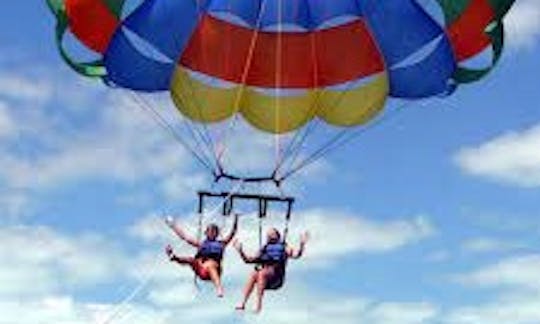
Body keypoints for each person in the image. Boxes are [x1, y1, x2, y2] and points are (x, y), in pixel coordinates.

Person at [234, 228, 309, 313]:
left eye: (272, 234)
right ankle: (242, 303)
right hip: (265, 279)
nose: (270, 236)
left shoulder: (283, 246)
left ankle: (258, 305)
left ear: (278, 236)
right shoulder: (264, 248)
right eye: (268, 234)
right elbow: (247, 260)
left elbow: (296, 256)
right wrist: (240, 251)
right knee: (254, 273)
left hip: (277, 278)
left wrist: (302, 245)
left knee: (261, 273)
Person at [164, 214, 239, 298]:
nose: (212, 232)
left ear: (217, 233)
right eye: (210, 230)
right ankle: (174, 257)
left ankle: (219, 288)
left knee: (211, 264)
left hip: (215, 270)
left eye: (214, 231)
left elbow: (233, 232)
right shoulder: (202, 244)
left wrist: (236, 219)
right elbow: (185, 237)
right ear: (206, 233)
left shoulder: (222, 243)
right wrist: (173, 225)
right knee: (191, 260)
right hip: (202, 271)